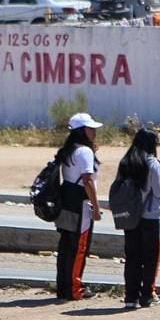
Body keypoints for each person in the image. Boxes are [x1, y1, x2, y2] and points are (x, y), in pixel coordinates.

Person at [112, 128, 160, 309]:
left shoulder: (126, 162)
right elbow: (159, 190)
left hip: (131, 217)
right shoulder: (152, 163)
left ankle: (130, 296)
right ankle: (147, 295)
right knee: (150, 258)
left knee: (132, 257)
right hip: (151, 217)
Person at [55, 112, 103, 301]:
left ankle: (64, 287)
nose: (94, 132)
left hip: (67, 198)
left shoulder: (69, 149)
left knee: (66, 245)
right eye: (91, 129)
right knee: (79, 247)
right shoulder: (84, 151)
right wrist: (96, 207)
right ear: (82, 131)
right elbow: (87, 180)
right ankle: (75, 289)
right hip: (80, 204)